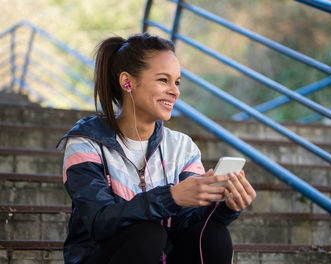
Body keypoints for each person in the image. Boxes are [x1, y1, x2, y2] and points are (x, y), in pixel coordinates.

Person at [57, 33, 256, 264]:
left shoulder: (182, 147)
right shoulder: (86, 143)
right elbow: (99, 222)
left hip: (163, 254)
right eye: (163, 80)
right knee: (147, 235)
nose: (175, 91)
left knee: (214, 236)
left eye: (177, 82)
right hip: (105, 256)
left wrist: (225, 207)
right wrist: (170, 197)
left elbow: (187, 225)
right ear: (127, 82)